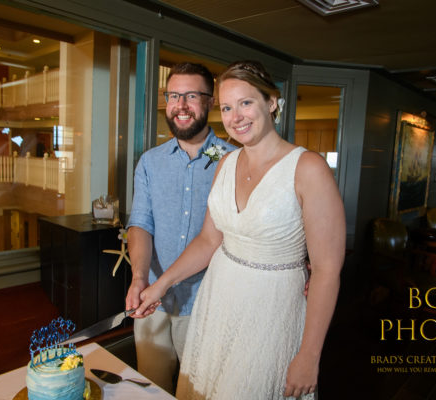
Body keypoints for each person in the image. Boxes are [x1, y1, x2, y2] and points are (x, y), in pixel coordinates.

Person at [135, 60, 346, 399]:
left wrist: (309, 355)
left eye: (246, 102)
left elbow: (327, 270)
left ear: (271, 102)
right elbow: (208, 240)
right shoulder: (226, 163)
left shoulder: (309, 168)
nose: (236, 117)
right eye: (227, 107)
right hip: (217, 303)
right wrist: (160, 285)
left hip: (271, 310)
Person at [125, 62, 235, 393]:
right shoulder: (150, 161)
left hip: (207, 304)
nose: (181, 105)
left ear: (211, 102)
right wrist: (139, 277)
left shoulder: (232, 160)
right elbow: (141, 223)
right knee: (151, 389)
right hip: (151, 300)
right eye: (173, 95)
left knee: (201, 392)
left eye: (191, 96)